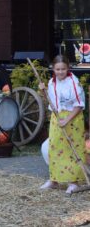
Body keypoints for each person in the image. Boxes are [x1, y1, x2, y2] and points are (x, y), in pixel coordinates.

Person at [39, 55, 86, 194]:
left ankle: (74, 182)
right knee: (54, 147)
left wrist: (67, 120)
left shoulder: (74, 82)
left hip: (73, 119)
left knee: (72, 149)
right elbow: (52, 102)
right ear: (53, 69)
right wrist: (43, 91)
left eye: (63, 69)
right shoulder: (51, 82)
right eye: (57, 69)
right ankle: (54, 180)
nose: (60, 72)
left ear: (68, 68)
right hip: (57, 118)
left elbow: (79, 106)